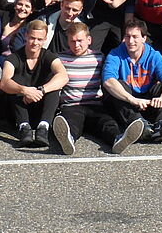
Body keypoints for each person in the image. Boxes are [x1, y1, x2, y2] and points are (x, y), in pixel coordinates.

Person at [51, 22, 147, 156]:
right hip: (71, 105)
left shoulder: (99, 57)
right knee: (72, 123)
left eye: (80, 41)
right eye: (72, 41)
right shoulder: (60, 59)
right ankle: (68, 139)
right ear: (68, 41)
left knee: (106, 123)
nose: (76, 45)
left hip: (95, 105)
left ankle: (117, 139)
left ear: (89, 40)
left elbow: (109, 78)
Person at [102, 19, 162, 143]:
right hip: (128, 103)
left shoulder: (154, 55)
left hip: (148, 101)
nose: (130, 41)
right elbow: (108, 81)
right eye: (127, 36)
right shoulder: (115, 54)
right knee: (117, 85)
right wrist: (132, 99)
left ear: (144, 38)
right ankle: (139, 125)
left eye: (135, 37)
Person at [0, 19, 68, 147]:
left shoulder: (49, 56)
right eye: (32, 38)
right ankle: (24, 128)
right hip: (19, 108)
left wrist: (41, 90)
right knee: (15, 83)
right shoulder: (14, 58)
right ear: (26, 36)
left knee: (54, 85)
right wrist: (24, 90)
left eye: (39, 39)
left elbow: (63, 76)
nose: (35, 42)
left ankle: (44, 128)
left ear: (45, 39)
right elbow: (4, 83)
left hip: (41, 106)